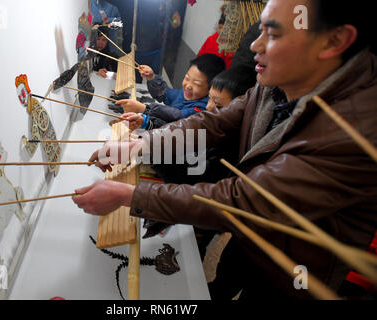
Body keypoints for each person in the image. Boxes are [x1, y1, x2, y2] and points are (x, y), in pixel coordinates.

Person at [73, 0, 377, 299]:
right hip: (249, 241)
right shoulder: (279, 82)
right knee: (223, 281)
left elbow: (241, 200)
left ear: (334, 41)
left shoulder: (355, 132)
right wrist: (140, 145)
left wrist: (130, 196)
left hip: (298, 271)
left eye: (273, 34)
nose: (256, 45)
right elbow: (211, 123)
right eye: (260, 31)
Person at [119, 54, 226, 130]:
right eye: (187, 78)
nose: (188, 86)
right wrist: (151, 77)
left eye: (197, 84)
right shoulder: (182, 95)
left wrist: (144, 109)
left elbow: (178, 116)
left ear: (210, 89)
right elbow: (164, 93)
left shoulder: (204, 108)